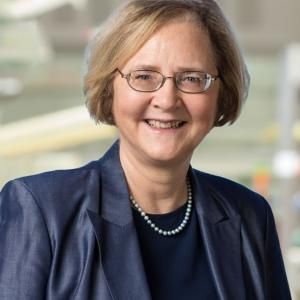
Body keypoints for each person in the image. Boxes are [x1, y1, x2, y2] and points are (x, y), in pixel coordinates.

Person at [0, 0, 292, 299]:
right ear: (109, 87)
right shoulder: (41, 209)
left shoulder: (250, 216)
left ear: (221, 92)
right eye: (143, 76)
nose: (167, 100)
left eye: (191, 78)